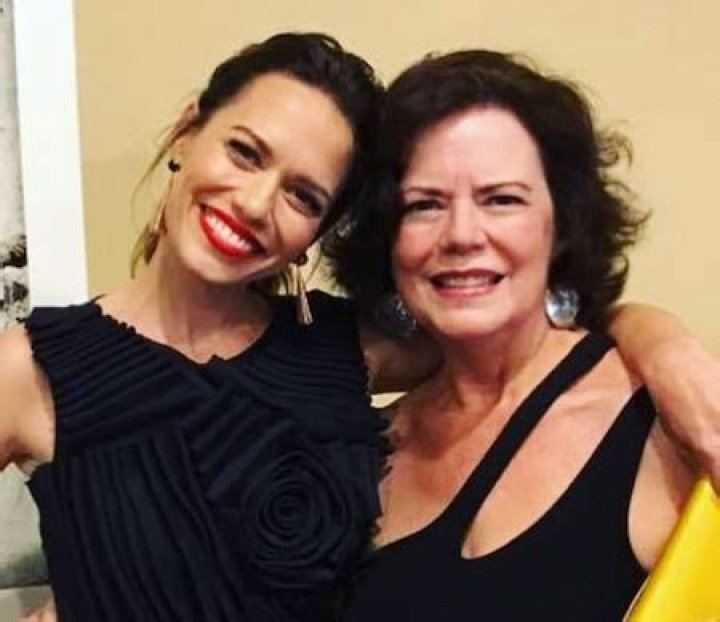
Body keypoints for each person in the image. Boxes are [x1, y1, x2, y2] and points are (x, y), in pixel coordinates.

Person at [3, 33, 719, 622]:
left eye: (302, 195)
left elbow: (525, 328)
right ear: (188, 133)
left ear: (317, 232)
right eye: (244, 152)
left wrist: (660, 341)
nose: (253, 203)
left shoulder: (338, 353)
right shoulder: (26, 370)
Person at [335, 50, 698, 620]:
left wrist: (663, 344)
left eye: (501, 199)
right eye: (425, 205)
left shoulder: (668, 420)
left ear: (562, 226)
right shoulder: (359, 450)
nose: (461, 235)